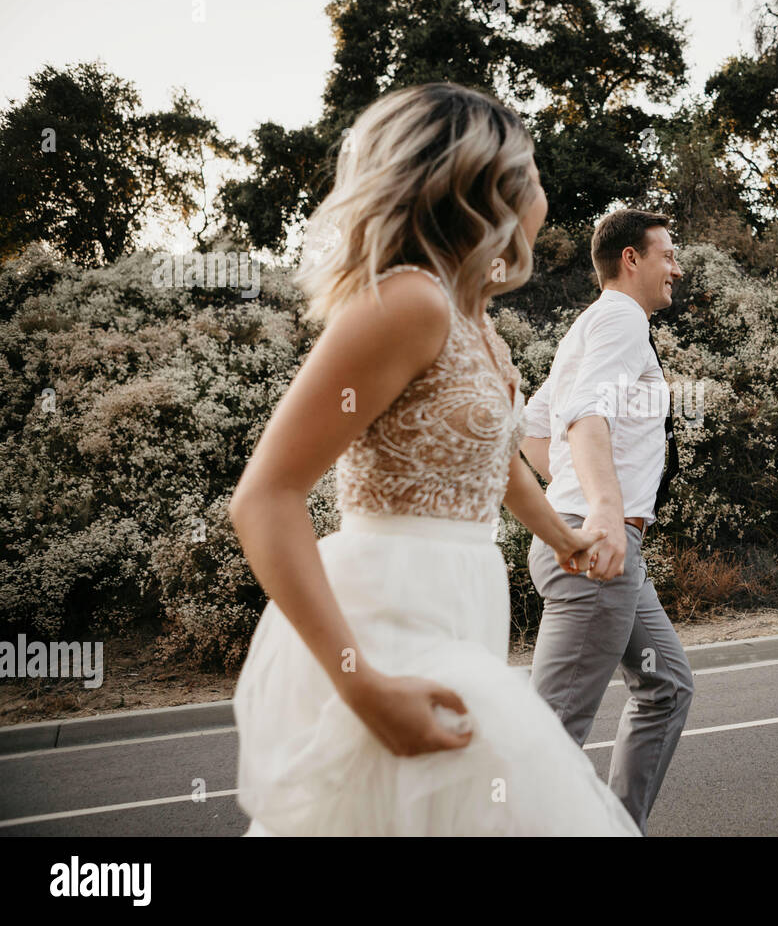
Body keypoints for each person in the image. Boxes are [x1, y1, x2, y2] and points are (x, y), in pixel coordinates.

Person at [228, 82, 641, 836]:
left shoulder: (473, 318)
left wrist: (559, 534)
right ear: (489, 185)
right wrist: (364, 688)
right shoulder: (408, 302)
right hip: (389, 610)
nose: (543, 187)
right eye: (532, 169)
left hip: (462, 600)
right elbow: (265, 497)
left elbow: (488, 458)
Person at [520, 208, 694, 835]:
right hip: (599, 546)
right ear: (631, 259)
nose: (676, 267)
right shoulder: (621, 318)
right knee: (553, 735)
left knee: (667, 686)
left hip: (602, 546)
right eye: (667, 254)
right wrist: (599, 509)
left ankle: (617, 828)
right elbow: (585, 417)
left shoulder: (585, 328)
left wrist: (572, 492)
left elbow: (536, 432)